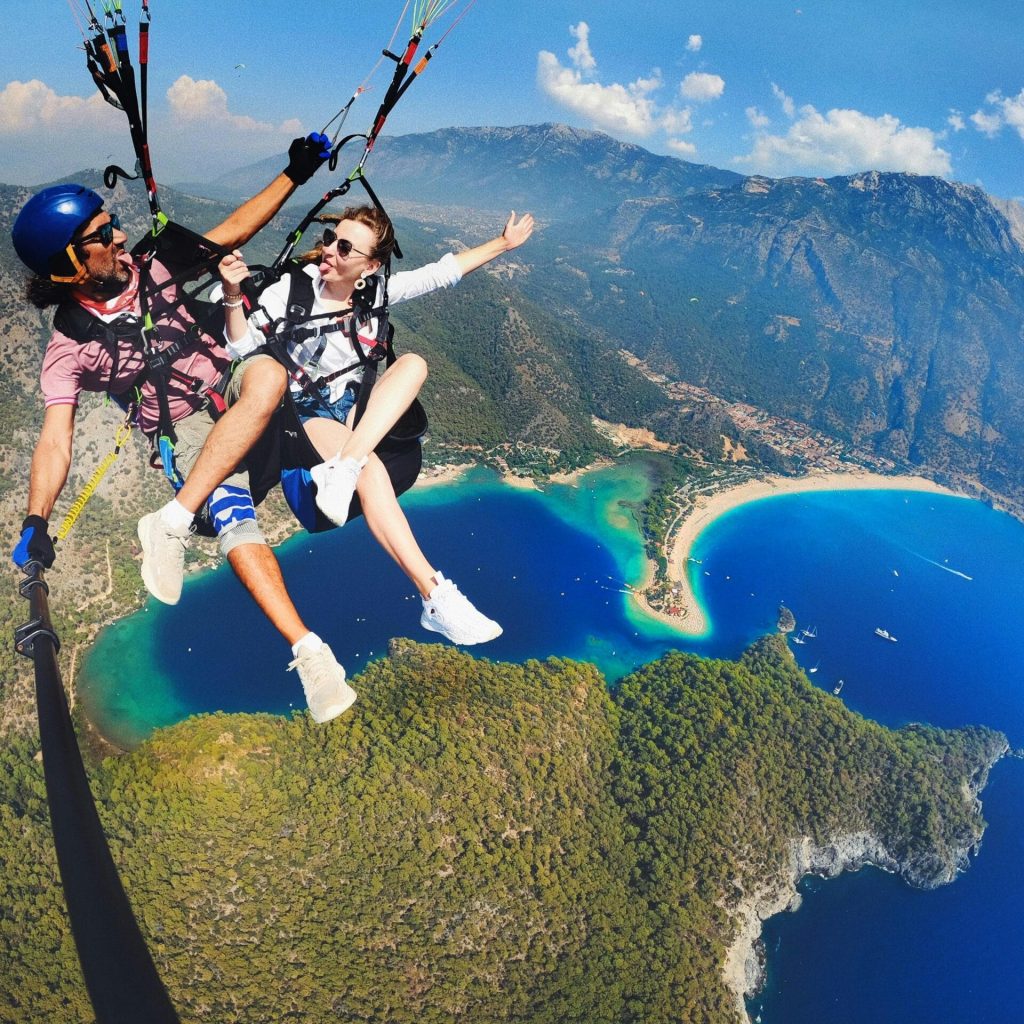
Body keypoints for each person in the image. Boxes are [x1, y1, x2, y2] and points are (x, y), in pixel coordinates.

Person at [9, 135, 360, 725]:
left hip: (231, 378)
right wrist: (35, 519)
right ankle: (310, 652)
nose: (119, 236)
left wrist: (293, 174)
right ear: (70, 266)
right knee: (235, 518)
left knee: (271, 374)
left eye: (114, 223)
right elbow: (55, 439)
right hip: (185, 426)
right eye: (102, 235)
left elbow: (235, 229)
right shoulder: (69, 349)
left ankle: (169, 525)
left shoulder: (156, 263)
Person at [217, 204, 534, 645]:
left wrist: (503, 243)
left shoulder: (376, 293)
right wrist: (233, 295)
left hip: (352, 406)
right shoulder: (291, 292)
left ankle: (345, 465)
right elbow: (241, 347)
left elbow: (442, 273)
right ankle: (434, 594)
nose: (330, 250)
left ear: (370, 265)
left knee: (414, 363)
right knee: (370, 471)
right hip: (303, 414)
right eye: (331, 240)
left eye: (345, 247)